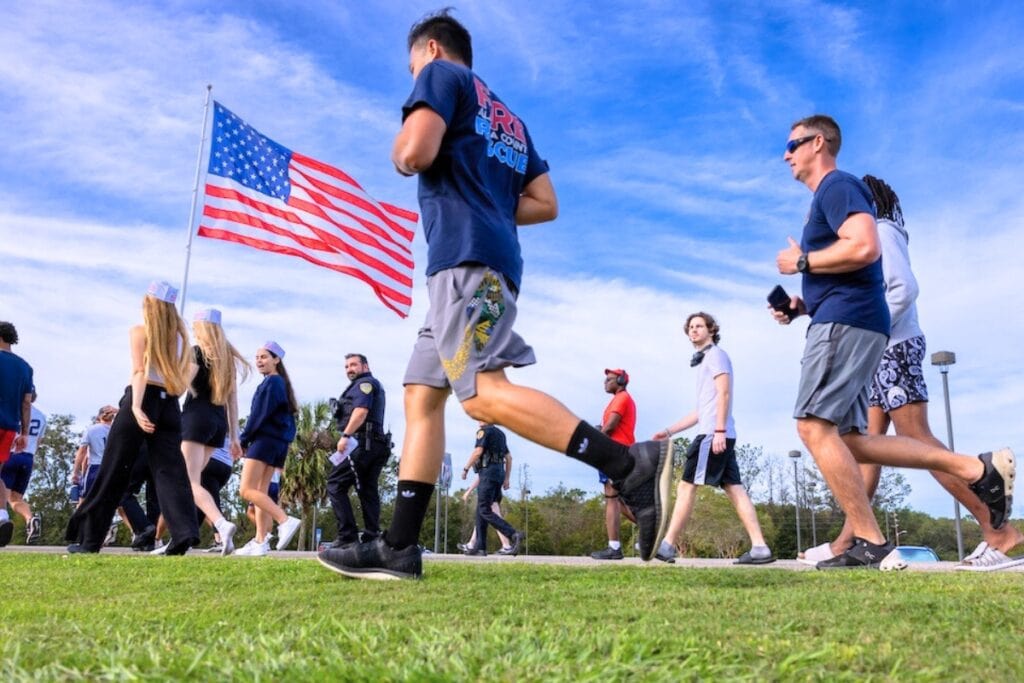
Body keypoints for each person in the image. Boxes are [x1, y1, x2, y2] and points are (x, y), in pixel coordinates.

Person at [318, 10, 670, 581]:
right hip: (481, 264)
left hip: (465, 263)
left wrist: (403, 148)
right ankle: (400, 547)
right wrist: (488, 200)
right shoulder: (508, 116)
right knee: (421, 393)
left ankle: (627, 462)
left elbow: (415, 154)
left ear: (430, 49)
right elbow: (545, 202)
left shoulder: (441, 77)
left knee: (480, 392)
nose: (413, 75)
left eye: (412, 66)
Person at [773, 115, 1014, 569]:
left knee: (814, 427)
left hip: (871, 336)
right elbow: (856, 272)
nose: (785, 154)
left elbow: (871, 257)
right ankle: (971, 473)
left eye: (791, 144)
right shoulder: (833, 199)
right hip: (854, 326)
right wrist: (804, 304)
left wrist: (803, 260)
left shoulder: (839, 188)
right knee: (851, 441)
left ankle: (885, 536)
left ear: (818, 142)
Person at [66, 281, 200, 554]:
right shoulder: (181, 339)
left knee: (114, 469)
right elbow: (187, 376)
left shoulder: (140, 332)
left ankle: (90, 539)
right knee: (170, 472)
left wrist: (137, 408)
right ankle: (184, 532)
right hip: (170, 403)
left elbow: (139, 371)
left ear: (150, 304)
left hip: (142, 399)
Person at [652, 313, 774, 565]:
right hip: (717, 431)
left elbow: (724, 393)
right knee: (734, 488)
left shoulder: (716, 355)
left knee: (687, 485)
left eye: (699, 326)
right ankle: (760, 547)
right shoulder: (706, 360)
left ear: (711, 330)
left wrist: (718, 430)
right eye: (691, 327)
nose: (694, 330)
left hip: (712, 434)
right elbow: (701, 410)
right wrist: (670, 430)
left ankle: (667, 545)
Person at [180, 308, 249, 556]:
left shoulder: (196, 353)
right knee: (195, 482)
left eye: (195, 327)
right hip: (217, 424)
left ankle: (221, 524)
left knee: (189, 482)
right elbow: (233, 402)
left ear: (201, 329)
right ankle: (184, 535)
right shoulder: (226, 362)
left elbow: (182, 384)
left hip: (196, 419)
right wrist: (235, 437)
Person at [236, 341, 300, 556]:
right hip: (277, 443)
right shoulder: (281, 384)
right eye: (257, 357)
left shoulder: (272, 383)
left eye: (264, 357)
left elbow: (258, 416)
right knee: (261, 492)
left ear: (276, 360)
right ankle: (260, 541)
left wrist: (243, 440)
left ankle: (284, 520)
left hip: (265, 441)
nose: (259, 361)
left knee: (246, 489)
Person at [326, 353, 391, 549]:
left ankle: (347, 535)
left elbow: (361, 411)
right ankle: (372, 536)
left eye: (353, 365)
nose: (349, 369)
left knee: (335, 484)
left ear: (365, 365)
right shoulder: (368, 385)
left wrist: (345, 436)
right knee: (367, 489)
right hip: (375, 444)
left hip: (361, 443)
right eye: (346, 366)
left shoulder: (365, 384)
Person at [591, 368, 638, 560]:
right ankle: (651, 532)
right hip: (618, 452)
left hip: (615, 453)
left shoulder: (621, 398)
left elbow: (611, 426)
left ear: (620, 380)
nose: (605, 383)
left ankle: (615, 547)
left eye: (609, 379)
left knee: (612, 498)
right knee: (617, 499)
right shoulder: (618, 399)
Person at [460, 422, 522, 556]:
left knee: (484, 509)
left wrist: (466, 468)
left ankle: (512, 533)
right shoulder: (500, 434)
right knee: (481, 509)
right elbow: (509, 458)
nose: (477, 420)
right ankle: (480, 547)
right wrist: (506, 478)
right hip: (498, 473)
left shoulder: (483, 432)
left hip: (487, 473)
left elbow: (478, 451)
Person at [0, 321, 35, 548]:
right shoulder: (25, 367)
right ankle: (2, 517)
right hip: (9, 426)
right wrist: (24, 432)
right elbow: (26, 402)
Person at [2, 390, 46, 543]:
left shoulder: (14, 411)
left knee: (3, 495)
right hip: (28, 458)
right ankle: (30, 518)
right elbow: (38, 442)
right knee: (15, 499)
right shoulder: (42, 416)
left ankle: (3, 520)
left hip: (12, 453)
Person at [457, 470, 514, 554]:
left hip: (489, 493)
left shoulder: (488, 462)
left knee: (495, 520)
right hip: (494, 491)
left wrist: (468, 491)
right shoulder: (499, 462)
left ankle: (507, 545)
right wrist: (506, 480)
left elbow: (480, 477)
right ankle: (471, 543)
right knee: (481, 519)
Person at [199, 437, 238, 553]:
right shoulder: (231, 424)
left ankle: (221, 537)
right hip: (227, 465)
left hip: (211, 461)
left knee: (208, 500)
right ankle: (187, 536)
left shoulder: (210, 418)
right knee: (203, 502)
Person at [73, 406, 117, 505]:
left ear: (99, 416)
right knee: (112, 503)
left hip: (96, 467)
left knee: (84, 500)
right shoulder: (118, 430)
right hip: (113, 468)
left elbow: (82, 453)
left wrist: (76, 472)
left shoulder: (91, 430)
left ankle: (79, 520)